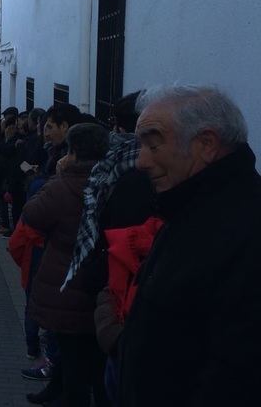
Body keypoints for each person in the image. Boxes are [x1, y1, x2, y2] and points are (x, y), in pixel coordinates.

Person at [118, 85, 261, 407]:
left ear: (206, 145)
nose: (140, 161)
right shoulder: (187, 209)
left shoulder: (245, 233)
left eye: (153, 145)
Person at [23, 123, 111, 407]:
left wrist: (53, 178)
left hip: (68, 278)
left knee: (71, 352)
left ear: (73, 152)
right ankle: (56, 389)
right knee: (78, 348)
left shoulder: (65, 185)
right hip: (99, 278)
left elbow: (33, 214)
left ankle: (68, 397)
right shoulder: (112, 178)